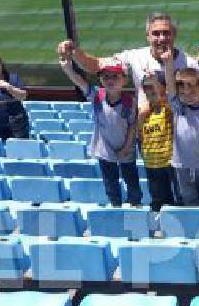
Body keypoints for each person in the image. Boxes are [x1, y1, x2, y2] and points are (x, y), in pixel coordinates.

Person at [57, 13, 198, 109]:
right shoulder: (135, 56)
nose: (161, 38)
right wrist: (74, 51)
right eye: (156, 33)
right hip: (150, 135)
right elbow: (97, 65)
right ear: (147, 36)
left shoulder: (189, 63)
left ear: (174, 35)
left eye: (166, 33)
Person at [58, 53, 141, 207]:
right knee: (110, 184)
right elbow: (81, 82)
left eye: (115, 77)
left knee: (132, 182)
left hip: (126, 150)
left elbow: (132, 126)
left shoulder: (130, 102)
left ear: (124, 80)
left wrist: (127, 147)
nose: (110, 80)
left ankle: (134, 207)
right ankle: (115, 207)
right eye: (106, 77)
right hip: (104, 150)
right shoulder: (97, 96)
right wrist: (68, 69)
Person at [162, 48, 199, 206]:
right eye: (183, 92)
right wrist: (168, 64)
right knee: (188, 197)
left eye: (192, 90)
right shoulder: (178, 107)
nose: (187, 94)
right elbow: (170, 86)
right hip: (182, 164)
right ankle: (194, 225)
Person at [137, 71, 179, 211]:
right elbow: (140, 136)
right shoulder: (144, 113)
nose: (150, 93)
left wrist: (155, 81)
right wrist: (141, 118)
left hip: (168, 162)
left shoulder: (167, 110)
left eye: (153, 89)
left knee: (174, 197)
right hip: (151, 163)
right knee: (157, 197)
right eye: (146, 89)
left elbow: (163, 96)